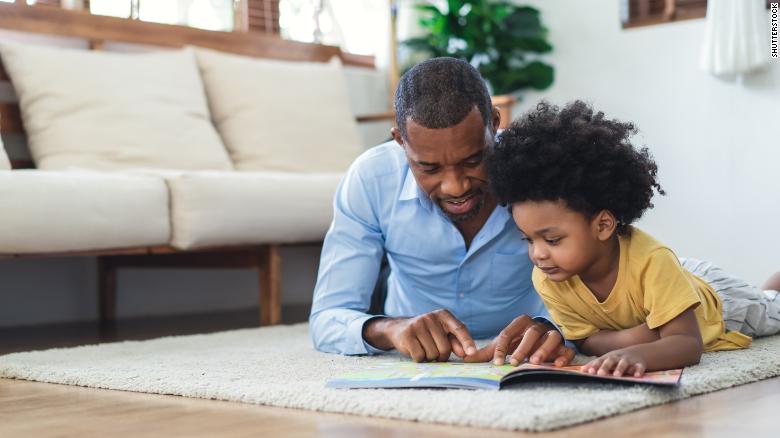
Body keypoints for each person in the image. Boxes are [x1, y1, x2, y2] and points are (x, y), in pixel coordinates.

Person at [309, 58, 575, 367]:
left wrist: (553, 326)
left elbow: (600, 279)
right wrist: (390, 328)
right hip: (409, 334)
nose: (455, 187)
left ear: (494, 124)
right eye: (429, 167)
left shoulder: (542, 172)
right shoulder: (371, 179)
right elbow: (327, 317)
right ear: (400, 142)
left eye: (473, 161)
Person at [485, 100, 780, 377]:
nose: (537, 254)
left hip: (721, 302)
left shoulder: (652, 261)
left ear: (602, 225)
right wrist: (641, 337)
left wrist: (641, 353)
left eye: (552, 240)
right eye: (528, 240)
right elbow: (586, 340)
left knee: (772, 308)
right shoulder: (548, 277)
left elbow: (688, 344)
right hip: (672, 284)